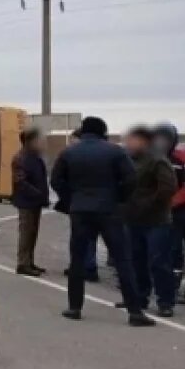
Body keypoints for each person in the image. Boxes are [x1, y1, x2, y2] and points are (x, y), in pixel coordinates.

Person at [49, 116, 153, 326]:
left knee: (77, 260)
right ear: (103, 132)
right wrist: (120, 198)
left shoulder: (69, 152)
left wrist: (72, 199)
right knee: (123, 260)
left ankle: (74, 307)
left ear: (83, 131)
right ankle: (135, 312)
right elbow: (131, 179)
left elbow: (56, 180)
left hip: (80, 210)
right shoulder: (115, 151)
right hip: (109, 210)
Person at [121, 126, 177, 317]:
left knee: (159, 262)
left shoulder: (157, 159)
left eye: (132, 140)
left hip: (156, 220)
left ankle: (165, 301)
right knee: (136, 260)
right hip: (133, 220)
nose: (128, 143)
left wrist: (146, 205)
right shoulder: (128, 160)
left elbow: (168, 188)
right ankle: (139, 297)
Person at [58, 129, 100, 281]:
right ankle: (89, 266)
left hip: (79, 203)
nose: (70, 143)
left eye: (72, 139)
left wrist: (67, 197)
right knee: (90, 237)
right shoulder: (100, 155)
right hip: (98, 204)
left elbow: (58, 180)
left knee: (80, 237)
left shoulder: (72, 156)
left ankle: (83, 267)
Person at [10, 127, 50, 276]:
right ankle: (23, 264)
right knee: (26, 233)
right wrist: (38, 194)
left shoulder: (35, 157)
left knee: (33, 233)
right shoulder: (20, 158)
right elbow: (20, 181)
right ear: (30, 141)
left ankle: (29, 261)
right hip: (26, 202)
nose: (42, 143)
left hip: (35, 201)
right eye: (40, 140)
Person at [151, 123, 185, 285]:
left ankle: (176, 278)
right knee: (166, 247)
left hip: (179, 210)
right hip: (158, 211)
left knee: (175, 247)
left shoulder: (181, 158)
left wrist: (172, 202)